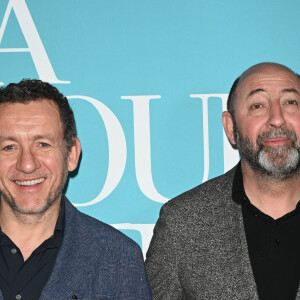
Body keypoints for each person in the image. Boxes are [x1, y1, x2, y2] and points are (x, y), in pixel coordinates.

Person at [145, 62, 300, 300]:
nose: (277, 119)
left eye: (291, 103)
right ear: (230, 127)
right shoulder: (182, 223)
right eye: (258, 105)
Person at [0, 79, 152, 300]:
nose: (27, 164)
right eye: (9, 147)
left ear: (71, 154)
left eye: (43, 144)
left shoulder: (119, 259)